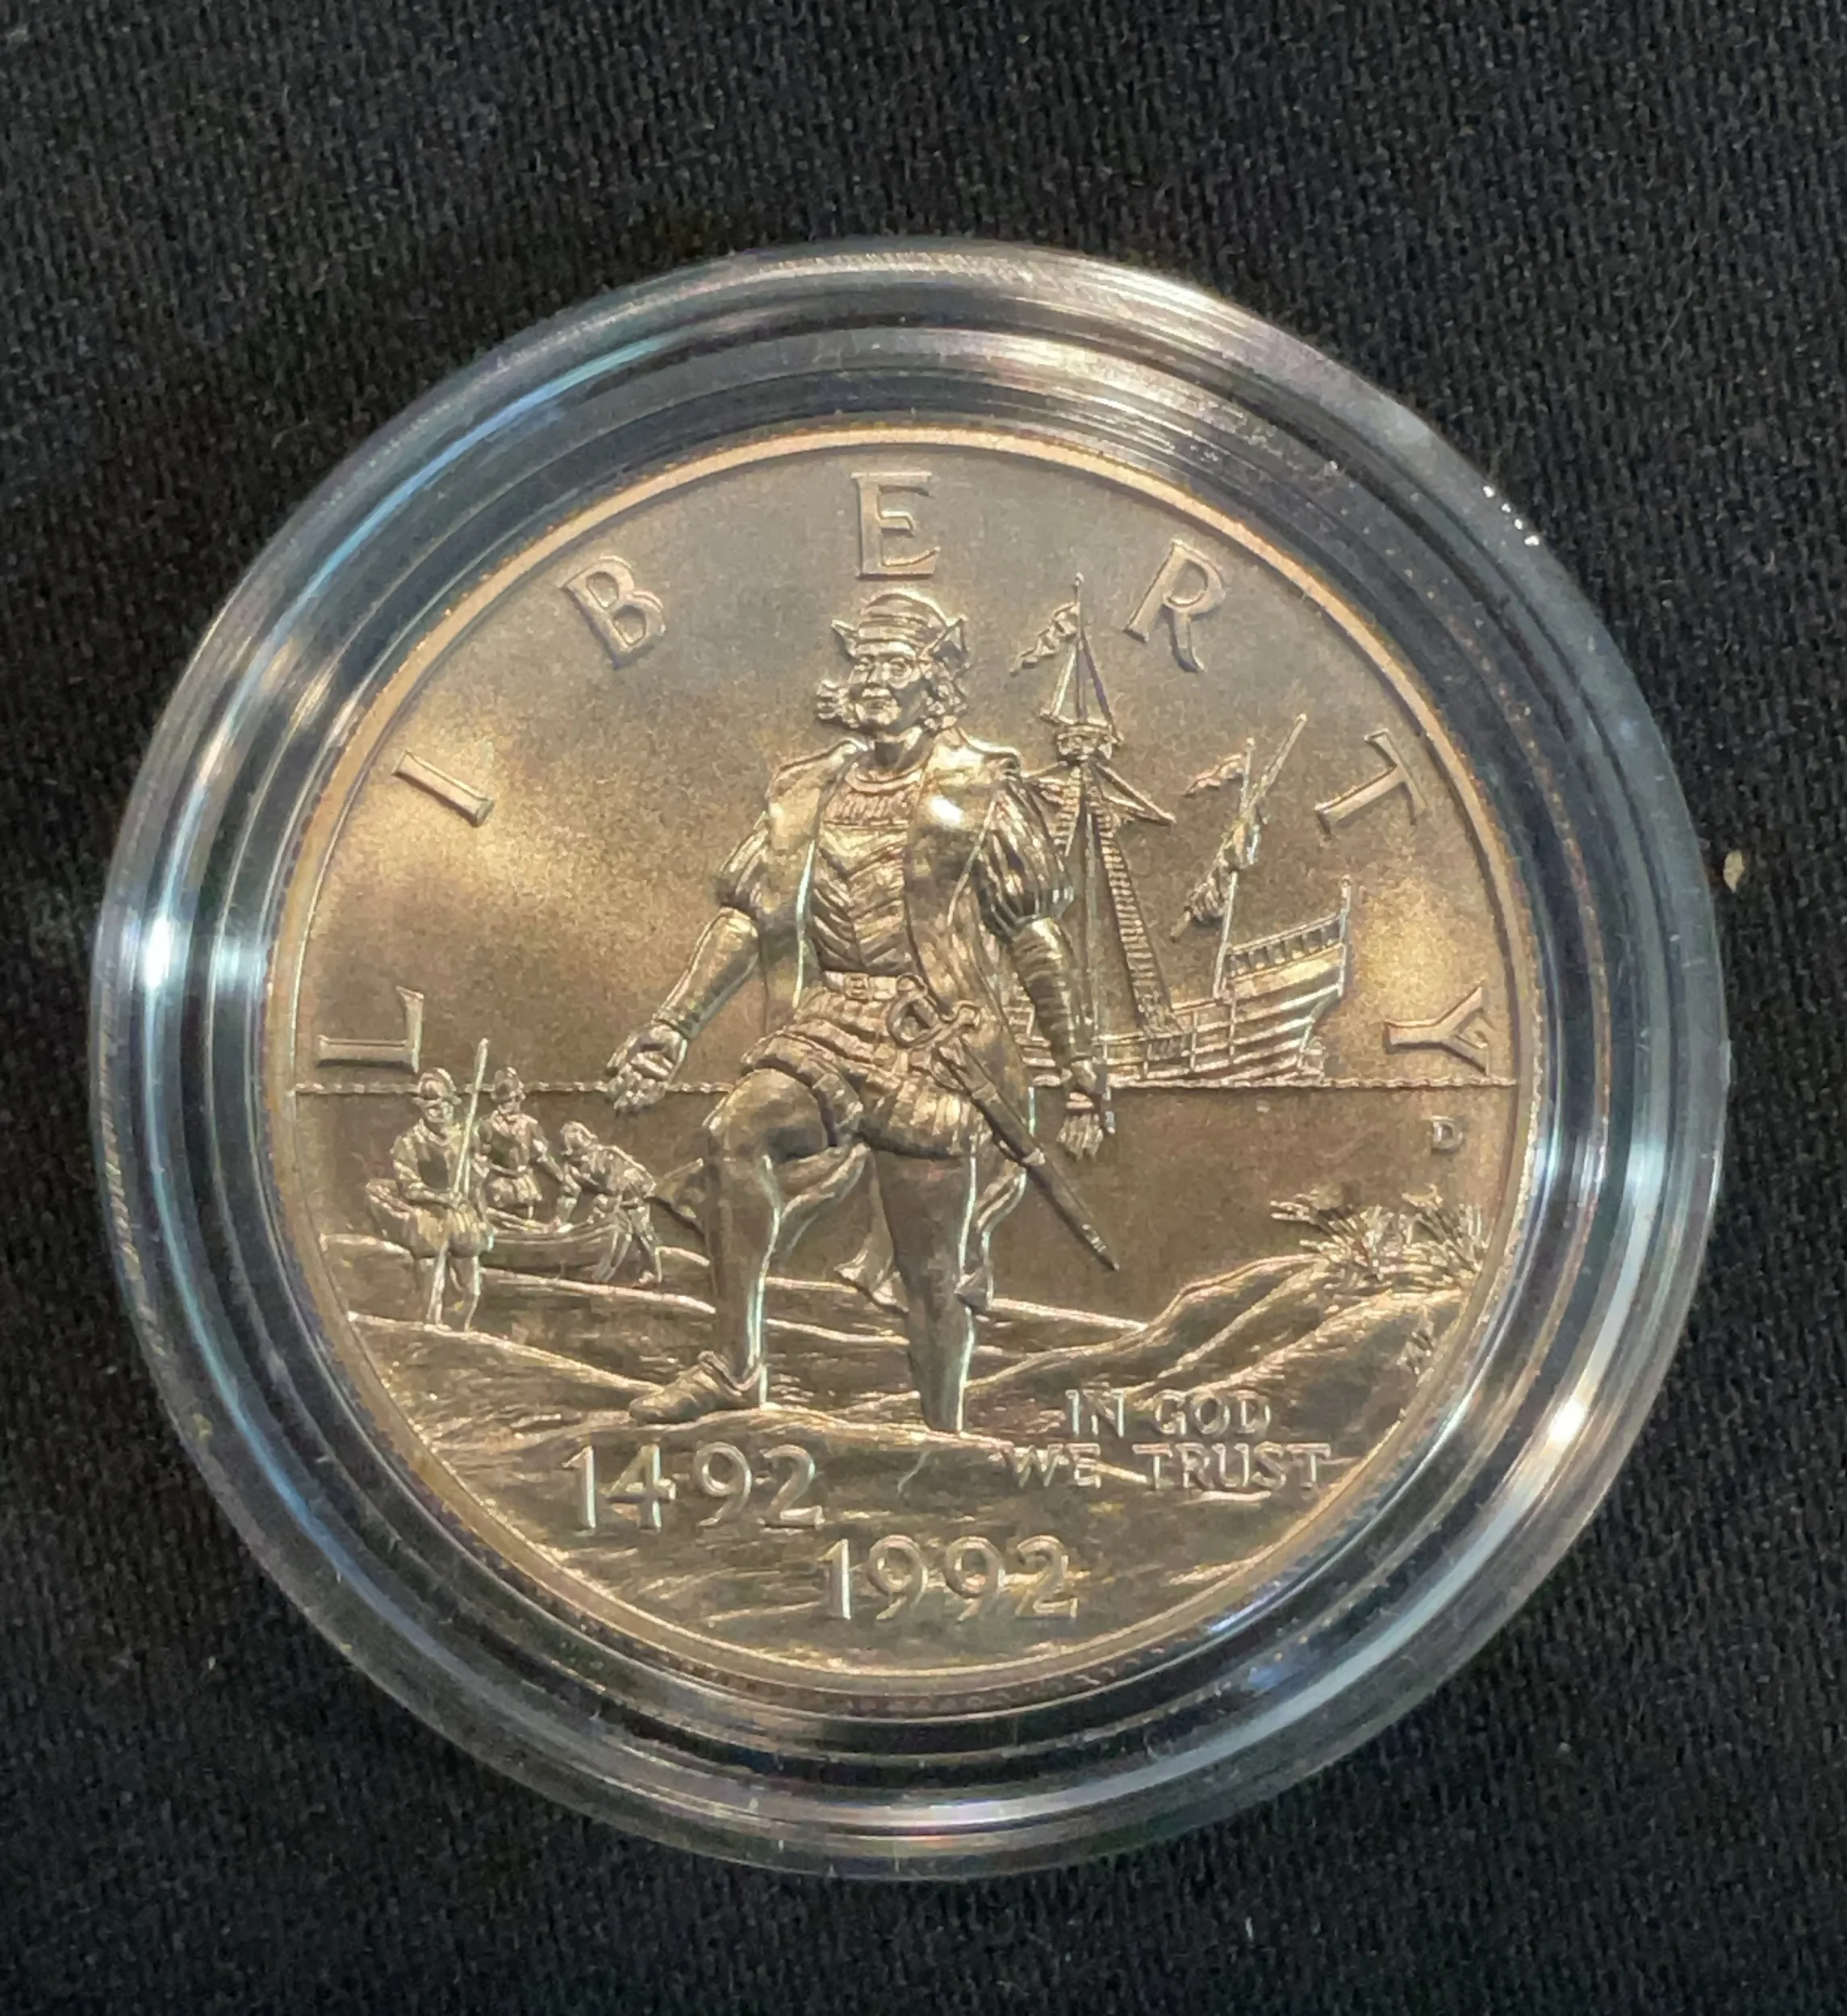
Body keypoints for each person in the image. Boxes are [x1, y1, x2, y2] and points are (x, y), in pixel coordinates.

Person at [605, 588, 1109, 1433]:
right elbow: (746, 918)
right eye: (864, 663)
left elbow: (1032, 934)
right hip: (832, 1018)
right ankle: (734, 1366)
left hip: (938, 1040)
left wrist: (1080, 1068)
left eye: (894, 664)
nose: (873, 679)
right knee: (736, 1132)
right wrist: (671, 1028)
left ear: (935, 683)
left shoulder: (981, 790)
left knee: (930, 1269)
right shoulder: (804, 791)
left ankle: (943, 1431)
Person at [364, 1069, 491, 1328]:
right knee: (432, 1288)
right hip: (429, 1220)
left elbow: (474, 1189)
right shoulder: (409, 1142)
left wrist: (483, 1215)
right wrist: (442, 1197)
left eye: (444, 1104)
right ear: (422, 1108)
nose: (439, 1111)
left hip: (462, 1218)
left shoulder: (464, 1139)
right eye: (432, 1107)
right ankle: (432, 1328)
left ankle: (460, 1331)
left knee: (472, 1292)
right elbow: (410, 1188)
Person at [554, 1120, 662, 1286]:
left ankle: (653, 1273)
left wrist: (605, 1204)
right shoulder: (571, 1168)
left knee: (642, 1234)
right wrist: (560, 1219)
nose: (581, 1161)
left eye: (583, 1154)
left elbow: (619, 1185)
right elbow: (569, 1194)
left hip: (632, 1197)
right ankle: (600, 1277)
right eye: (574, 1156)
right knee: (618, 1238)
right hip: (613, 1202)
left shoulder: (608, 1156)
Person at [479, 1065, 563, 1223]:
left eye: (510, 1100)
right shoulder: (488, 1126)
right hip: (498, 1184)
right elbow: (478, 1157)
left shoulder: (529, 1125)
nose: (506, 1105)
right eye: (503, 1101)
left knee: (526, 1221)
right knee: (498, 1219)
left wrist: (559, 1176)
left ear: (518, 1099)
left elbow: (542, 1155)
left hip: (524, 1184)